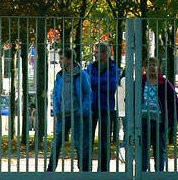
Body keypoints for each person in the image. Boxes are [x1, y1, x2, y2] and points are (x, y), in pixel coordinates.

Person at [46, 47, 92, 172]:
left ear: (70, 59)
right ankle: (50, 170)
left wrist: (83, 110)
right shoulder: (60, 75)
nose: (60, 61)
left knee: (79, 144)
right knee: (56, 143)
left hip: (77, 114)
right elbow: (56, 93)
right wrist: (56, 109)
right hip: (62, 114)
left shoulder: (82, 75)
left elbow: (88, 93)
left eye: (62, 58)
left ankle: (84, 170)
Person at [139, 56, 178, 172]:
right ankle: (143, 173)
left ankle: (159, 173)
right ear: (145, 68)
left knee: (159, 150)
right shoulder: (139, 82)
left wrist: (172, 121)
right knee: (143, 150)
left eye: (154, 65)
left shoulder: (165, 83)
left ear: (158, 68)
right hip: (143, 122)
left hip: (160, 122)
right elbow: (130, 99)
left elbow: (175, 102)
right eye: (149, 65)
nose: (152, 67)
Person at [86, 43, 121, 172]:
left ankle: (103, 171)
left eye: (97, 52)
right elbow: (87, 82)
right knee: (87, 140)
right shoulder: (91, 67)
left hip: (107, 108)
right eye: (94, 52)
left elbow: (111, 85)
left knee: (105, 141)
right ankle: (86, 169)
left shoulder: (114, 69)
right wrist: (102, 81)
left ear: (105, 54)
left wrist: (95, 82)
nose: (94, 54)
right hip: (91, 107)